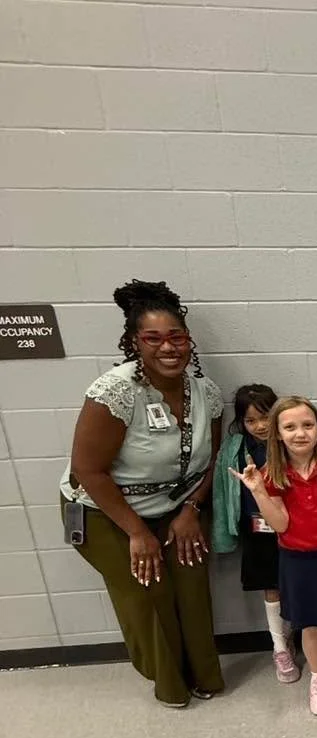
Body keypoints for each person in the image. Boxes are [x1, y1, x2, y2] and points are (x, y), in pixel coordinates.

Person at [61, 280, 225, 709]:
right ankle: (169, 684)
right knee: (148, 589)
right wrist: (138, 532)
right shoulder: (115, 392)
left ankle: (204, 674)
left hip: (178, 505)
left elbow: (215, 458)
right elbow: (88, 470)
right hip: (106, 511)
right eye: (153, 339)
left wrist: (191, 509)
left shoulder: (206, 392)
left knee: (190, 584)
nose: (168, 348)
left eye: (177, 337)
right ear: (135, 342)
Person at [231, 397, 317, 715]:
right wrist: (259, 492)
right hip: (298, 561)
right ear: (277, 433)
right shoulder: (271, 474)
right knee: (309, 625)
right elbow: (280, 524)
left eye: (307, 425)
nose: (299, 433)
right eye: (290, 427)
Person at [212, 383, 299, 684]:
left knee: (299, 584)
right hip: (257, 531)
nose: (260, 426)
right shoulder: (236, 449)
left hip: (294, 529)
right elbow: (224, 493)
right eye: (251, 420)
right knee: (271, 588)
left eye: (265, 416)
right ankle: (280, 648)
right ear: (242, 422)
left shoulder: (291, 442)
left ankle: (310, 638)